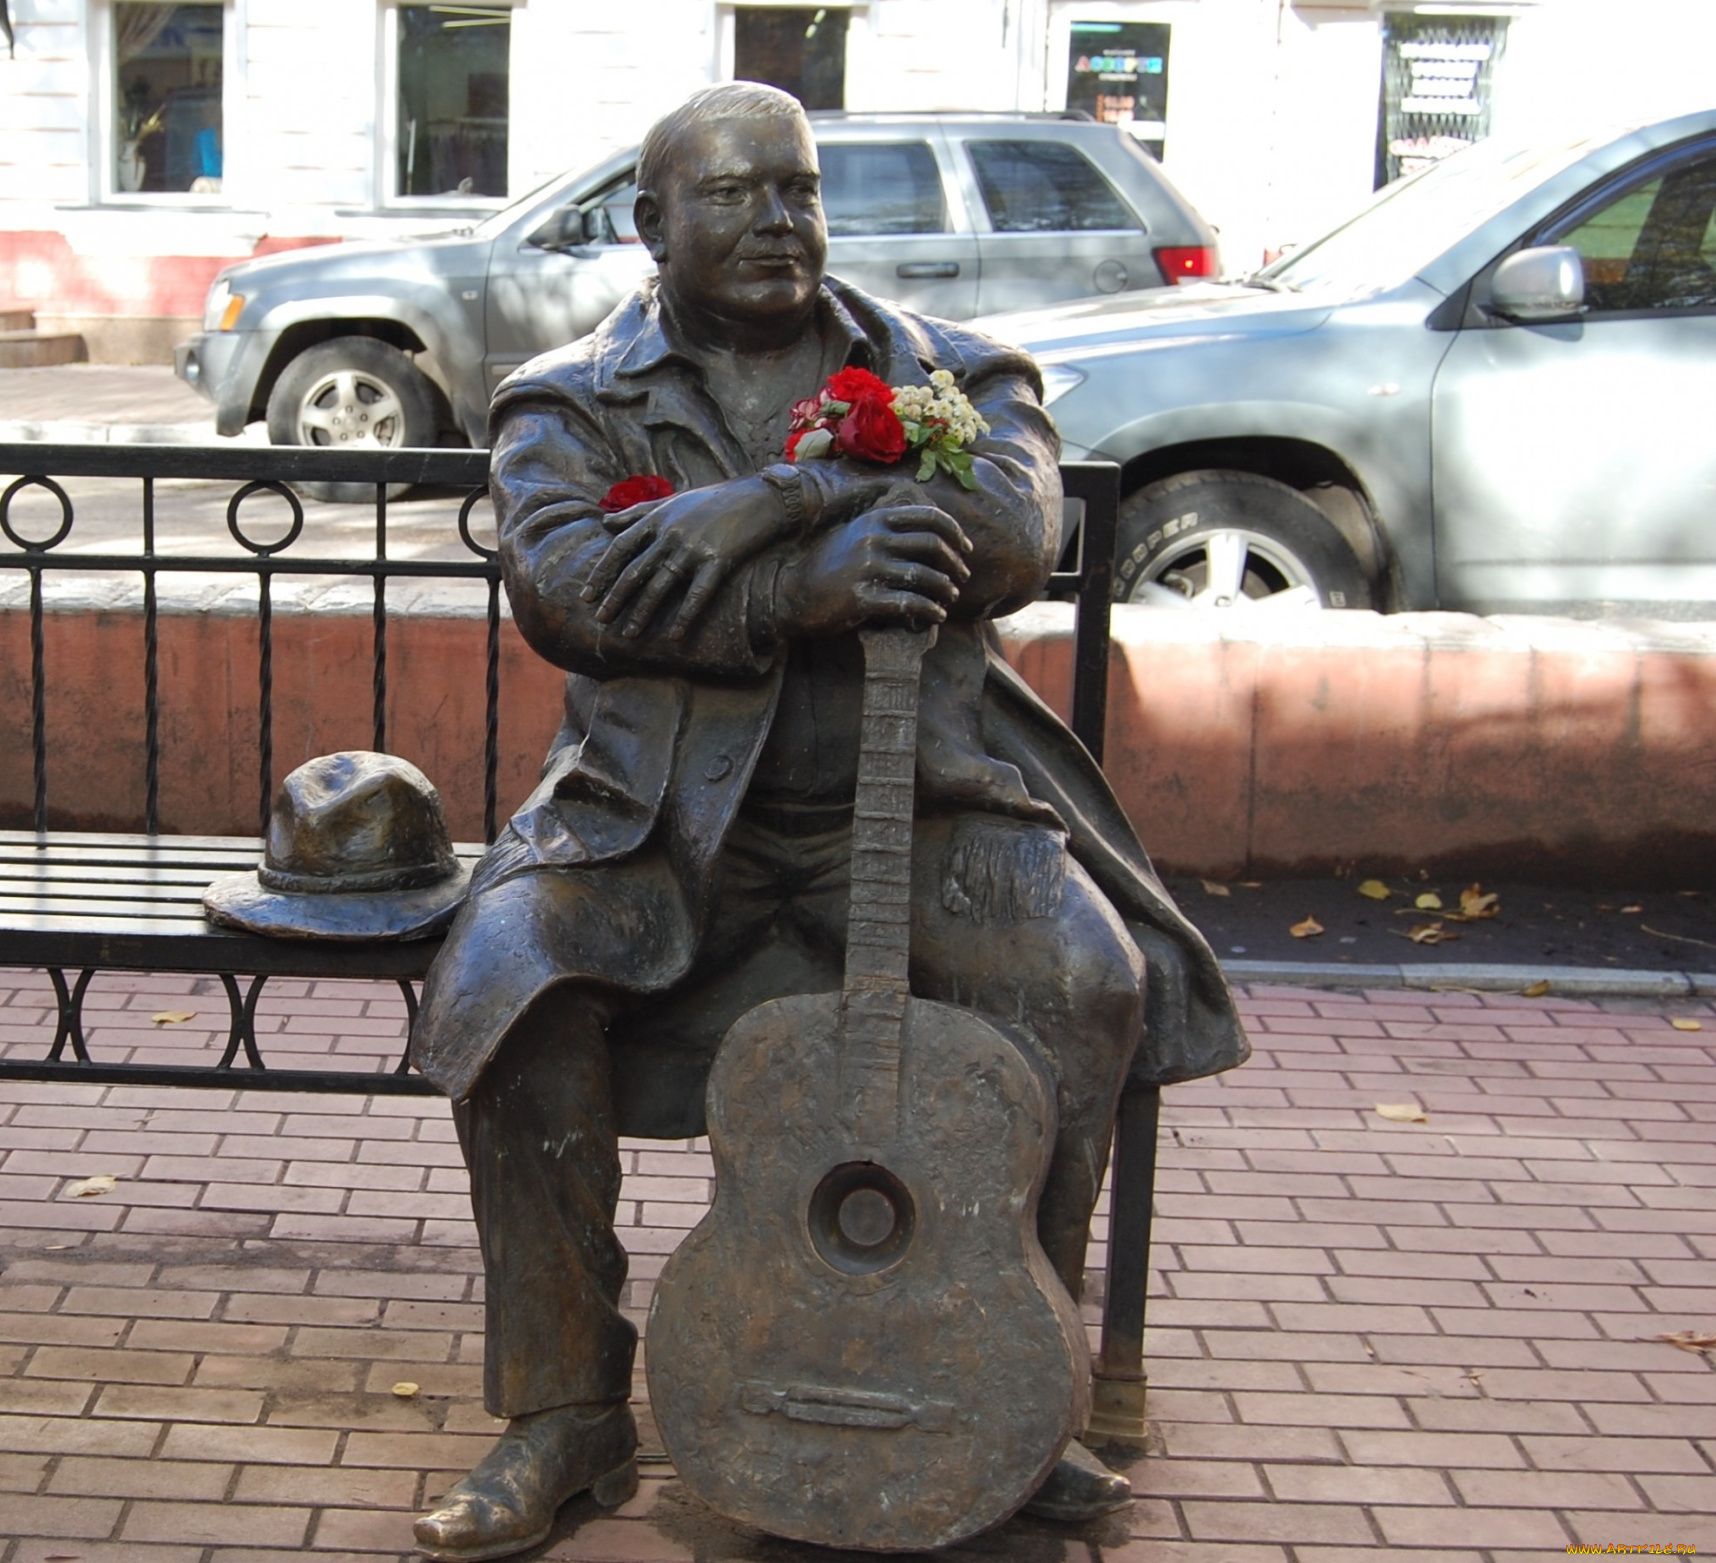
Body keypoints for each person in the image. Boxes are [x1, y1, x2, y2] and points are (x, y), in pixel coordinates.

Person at [407, 82, 1249, 1560]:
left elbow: (1004, 534)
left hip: (919, 813)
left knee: (1082, 979)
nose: (776, 219)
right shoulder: (572, 400)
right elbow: (573, 595)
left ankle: (1013, 1383)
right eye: (732, 194)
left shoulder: (949, 371)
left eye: (795, 189)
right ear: (650, 223)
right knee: (512, 981)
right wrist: (816, 575)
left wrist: (762, 500)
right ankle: (566, 1409)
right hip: (653, 829)